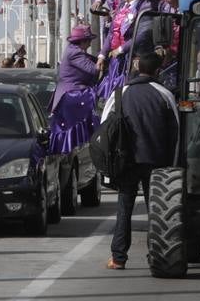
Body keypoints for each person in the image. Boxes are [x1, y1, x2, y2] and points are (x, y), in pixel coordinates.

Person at [102, 52, 179, 270]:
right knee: (157, 211)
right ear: (158, 71)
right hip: (156, 162)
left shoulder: (121, 93)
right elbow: (176, 132)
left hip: (125, 162)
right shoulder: (164, 94)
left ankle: (118, 257)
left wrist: (108, 167)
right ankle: (158, 255)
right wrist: (172, 165)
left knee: (124, 208)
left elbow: (105, 126)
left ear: (137, 68)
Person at [50, 25, 100, 155]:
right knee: (75, 125)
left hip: (69, 95)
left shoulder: (73, 50)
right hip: (72, 95)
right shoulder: (75, 53)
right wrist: (101, 61)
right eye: (88, 41)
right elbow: (93, 70)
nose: (89, 44)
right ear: (82, 41)